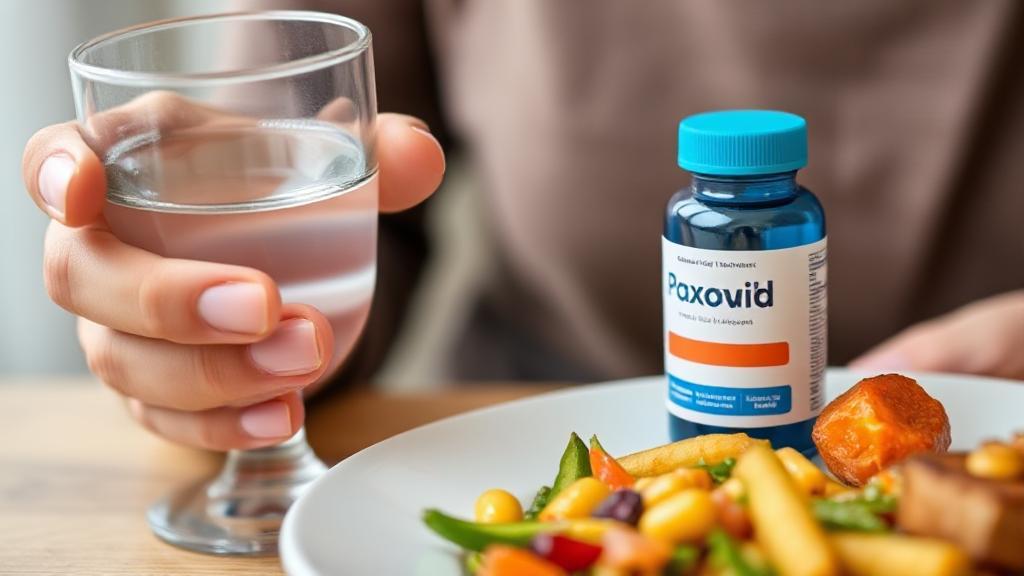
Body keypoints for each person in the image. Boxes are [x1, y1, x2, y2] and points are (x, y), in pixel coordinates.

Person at [22, 0, 1024, 451]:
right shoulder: (704, 212)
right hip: (530, 434)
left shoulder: (783, 218)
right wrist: (214, 339)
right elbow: (307, 154)